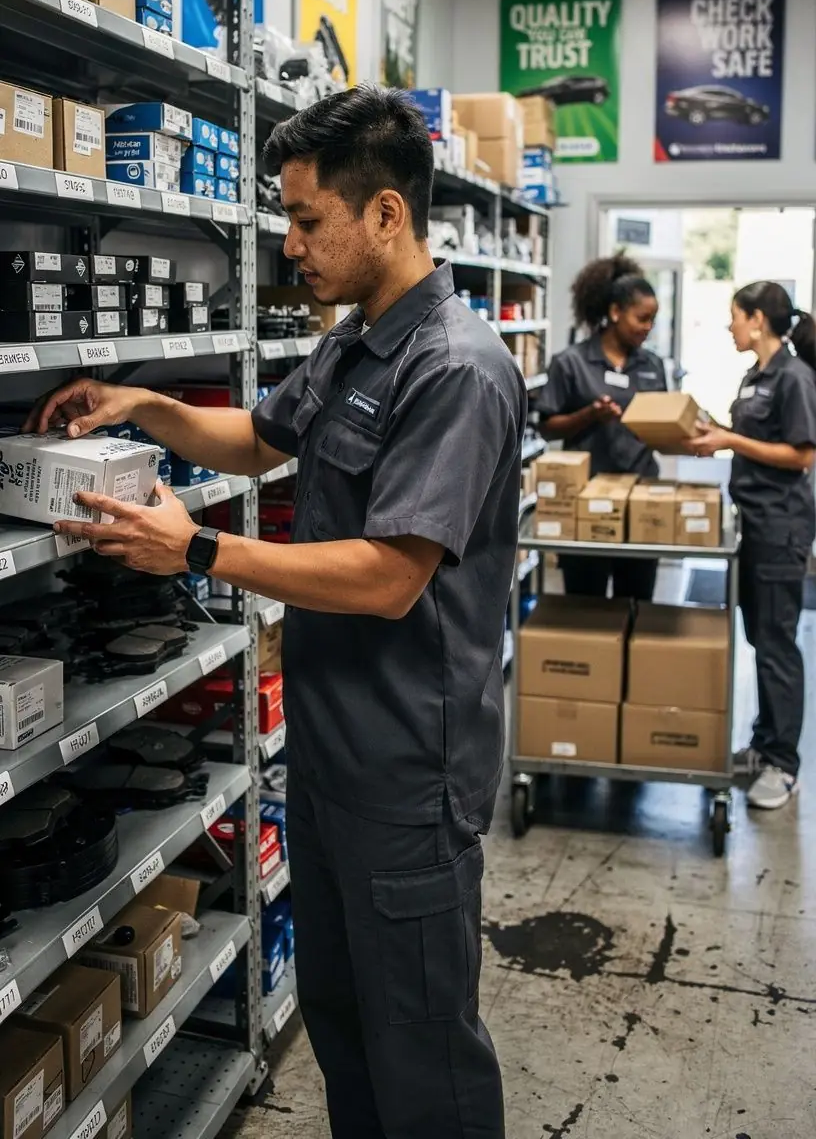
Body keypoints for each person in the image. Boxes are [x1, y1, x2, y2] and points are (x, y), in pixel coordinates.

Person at [27, 85, 526, 1139]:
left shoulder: (457, 369)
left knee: (424, 1056)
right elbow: (260, 439)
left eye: (306, 220)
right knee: (346, 1033)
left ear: (384, 214)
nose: (288, 242)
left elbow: (393, 575)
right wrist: (143, 403)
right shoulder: (357, 343)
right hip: (333, 759)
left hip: (411, 776)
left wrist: (199, 547)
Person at [687, 281, 816, 811]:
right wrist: (711, 431)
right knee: (760, 637)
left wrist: (731, 441)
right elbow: (752, 441)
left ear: (758, 319)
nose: (731, 326)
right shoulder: (755, 376)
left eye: (736, 317)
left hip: (781, 527)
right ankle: (764, 746)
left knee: (778, 642)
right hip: (754, 524)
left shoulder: (794, 377)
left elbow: (802, 454)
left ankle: (784, 765)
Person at [538, 255, 666, 600]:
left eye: (652, 320)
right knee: (585, 608)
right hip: (586, 502)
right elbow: (548, 428)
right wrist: (590, 415)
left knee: (636, 605)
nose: (647, 328)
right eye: (641, 318)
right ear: (614, 312)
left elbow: (663, 421)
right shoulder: (571, 363)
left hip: (641, 499)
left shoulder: (652, 365)